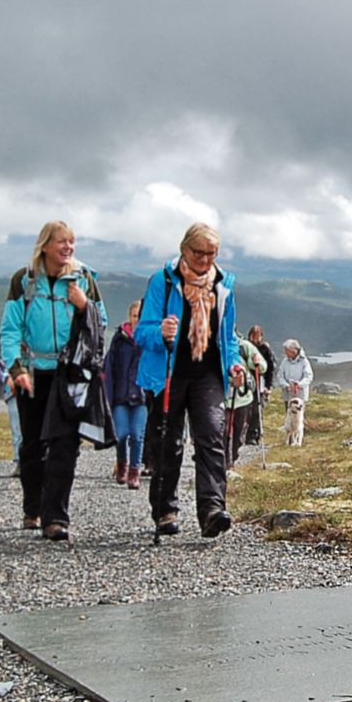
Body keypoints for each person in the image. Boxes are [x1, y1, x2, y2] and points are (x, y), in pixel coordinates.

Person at [134, 222, 246, 538]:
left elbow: (229, 337)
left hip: (207, 374)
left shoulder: (223, 286)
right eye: (199, 252)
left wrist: (234, 364)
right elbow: (141, 332)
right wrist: (160, 332)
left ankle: (212, 510)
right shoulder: (163, 282)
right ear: (184, 249)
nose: (205, 260)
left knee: (211, 435)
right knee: (167, 441)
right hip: (167, 372)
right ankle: (165, 510)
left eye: (212, 254)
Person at [0, 221, 107, 543]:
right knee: (33, 445)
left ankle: (56, 518)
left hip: (69, 374)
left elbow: (100, 322)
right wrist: (15, 368)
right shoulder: (24, 280)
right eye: (62, 242)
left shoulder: (83, 279)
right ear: (45, 245)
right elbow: (10, 328)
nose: (68, 248)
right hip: (32, 372)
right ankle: (32, 507)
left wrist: (83, 305)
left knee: (65, 445)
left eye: (72, 242)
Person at [105, 298, 147, 489]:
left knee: (137, 435)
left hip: (141, 396)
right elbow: (110, 367)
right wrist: (108, 394)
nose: (137, 319)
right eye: (134, 315)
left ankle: (134, 471)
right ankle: (121, 463)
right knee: (121, 434)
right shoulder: (119, 338)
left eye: (140, 316)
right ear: (129, 317)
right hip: (121, 394)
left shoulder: (148, 339)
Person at [225, 335, 268, 466]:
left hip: (243, 397)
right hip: (223, 396)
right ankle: (225, 460)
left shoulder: (245, 347)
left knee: (238, 429)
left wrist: (257, 363)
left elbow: (263, 367)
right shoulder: (217, 345)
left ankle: (234, 453)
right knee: (222, 429)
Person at [244, 324, 276, 446]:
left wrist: (268, 386)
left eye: (257, 336)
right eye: (253, 336)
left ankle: (254, 434)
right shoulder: (245, 347)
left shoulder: (265, 349)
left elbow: (270, 369)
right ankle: (246, 433)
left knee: (257, 409)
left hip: (260, 382)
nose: (255, 339)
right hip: (247, 381)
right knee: (247, 409)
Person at [277, 339, 313, 446]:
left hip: (300, 395)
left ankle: (299, 440)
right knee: (289, 417)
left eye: (287, 350)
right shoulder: (285, 361)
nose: (285, 353)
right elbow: (280, 375)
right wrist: (285, 384)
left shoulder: (304, 362)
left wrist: (300, 384)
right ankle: (289, 439)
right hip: (288, 395)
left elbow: (308, 376)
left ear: (294, 351)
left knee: (299, 418)